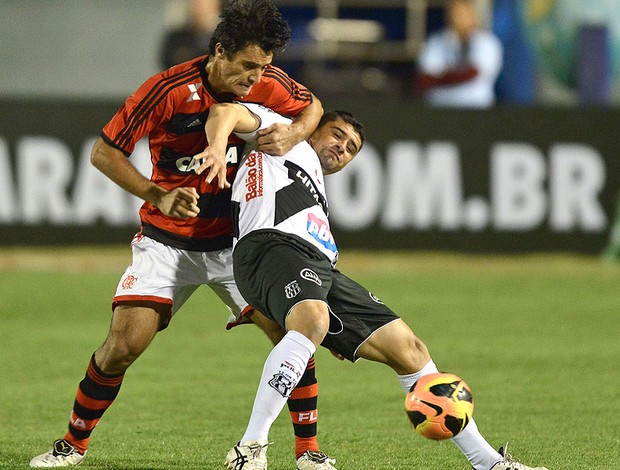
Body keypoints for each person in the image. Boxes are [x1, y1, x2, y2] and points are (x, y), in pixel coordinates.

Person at [29, 1, 333, 468]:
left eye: (264, 69)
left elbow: (312, 106)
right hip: (168, 241)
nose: (256, 80)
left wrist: (294, 134)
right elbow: (103, 152)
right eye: (248, 67)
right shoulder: (167, 89)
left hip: (236, 246)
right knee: (123, 345)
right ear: (219, 51)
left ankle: (308, 452)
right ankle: (72, 444)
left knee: (290, 334)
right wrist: (158, 194)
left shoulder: (267, 82)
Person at [199, 101, 549, 470]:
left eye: (351, 148)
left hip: (317, 267)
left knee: (411, 350)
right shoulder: (283, 135)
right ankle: (250, 448)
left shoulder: (316, 187)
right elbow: (226, 112)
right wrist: (218, 146)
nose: (342, 148)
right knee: (313, 322)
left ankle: (488, 463)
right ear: (313, 127)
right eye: (337, 135)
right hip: (269, 248)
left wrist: (328, 317)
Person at [416, 0, 503, 108]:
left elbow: (473, 73)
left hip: (475, 108)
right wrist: (457, 74)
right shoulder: (436, 41)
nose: (457, 17)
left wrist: (443, 75)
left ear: (472, 14)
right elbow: (425, 79)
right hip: (440, 109)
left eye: (462, 13)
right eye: (453, 12)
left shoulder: (487, 42)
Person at [160, 0, 222, 70]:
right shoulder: (177, 37)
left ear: (216, 6)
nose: (200, 9)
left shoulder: (225, 38)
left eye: (205, 5)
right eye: (197, 4)